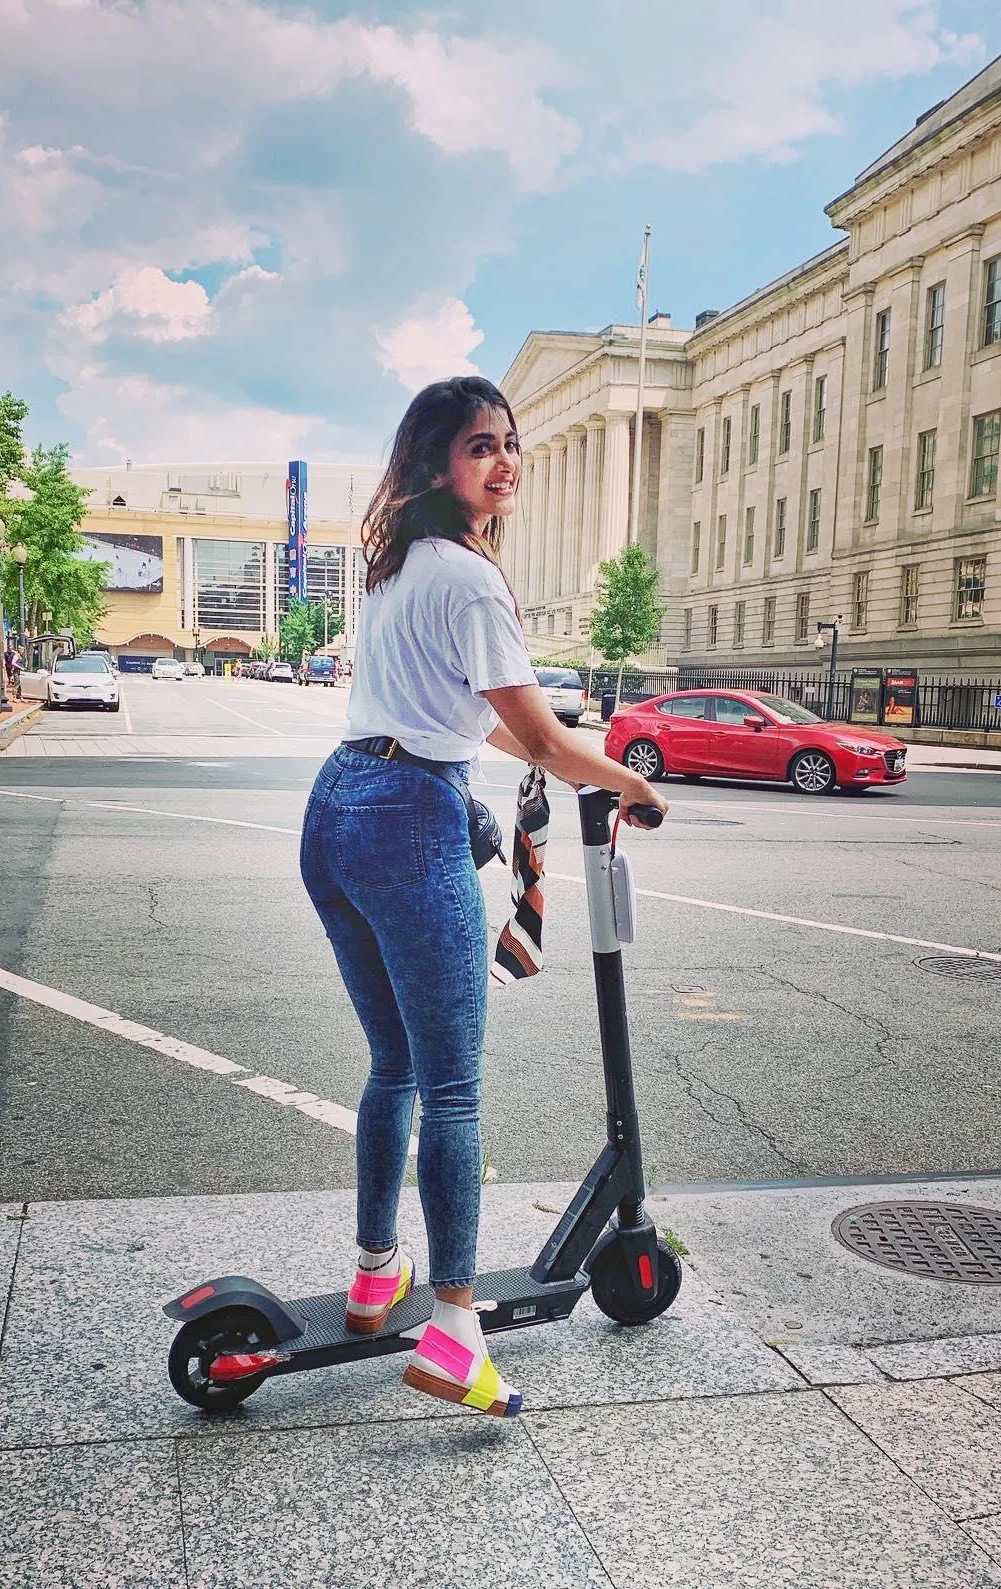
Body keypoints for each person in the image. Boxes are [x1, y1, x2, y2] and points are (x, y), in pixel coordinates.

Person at [299, 376, 668, 1420]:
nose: (504, 461)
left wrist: (559, 765)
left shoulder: (399, 568)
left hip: (337, 807)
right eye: (479, 446)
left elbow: (489, 725)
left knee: (397, 1064)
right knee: (450, 1086)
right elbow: (544, 735)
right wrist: (628, 779)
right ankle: (455, 1332)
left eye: (510, 443)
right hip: (409, 817)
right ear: (433, 462)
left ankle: (379, 1274)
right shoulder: (469, 578)